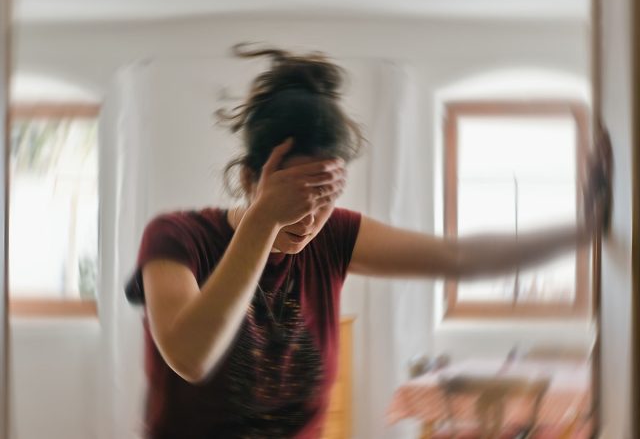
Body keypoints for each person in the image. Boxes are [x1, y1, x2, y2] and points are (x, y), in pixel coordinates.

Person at [125, 44, 612, 439]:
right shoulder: (176, 237)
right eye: (293, 194)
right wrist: (264, 222)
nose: (308, 216)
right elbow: (191, 357)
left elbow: (460, 257)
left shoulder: (335, 236)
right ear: (251, 179)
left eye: (325, 195)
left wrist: (583, 229)